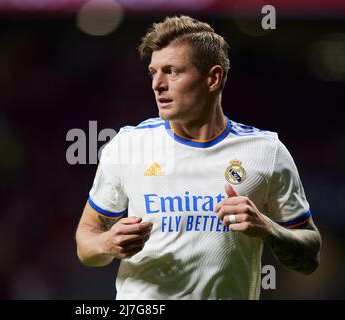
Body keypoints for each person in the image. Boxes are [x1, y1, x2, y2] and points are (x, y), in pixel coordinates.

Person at [75, 15, 321, 299]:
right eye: (153, 72)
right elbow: (86, 244)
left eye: (172, 71)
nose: (158, 84)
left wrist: (268, 228)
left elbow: (310, 255)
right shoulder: (128, 145)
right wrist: (107, 243)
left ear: (213, 78)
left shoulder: (266, 150)